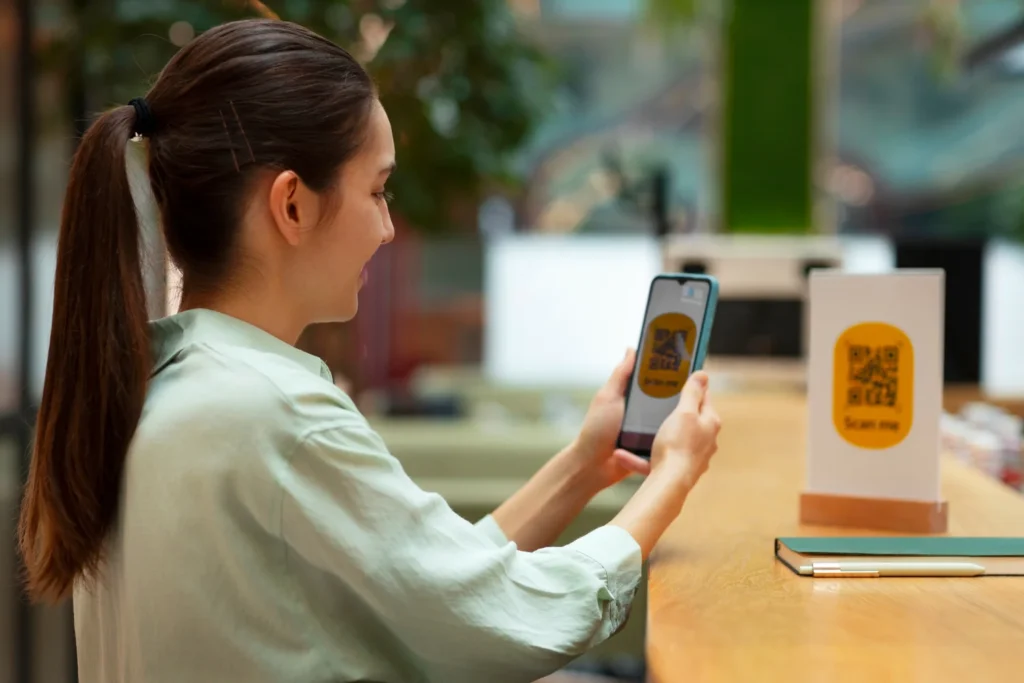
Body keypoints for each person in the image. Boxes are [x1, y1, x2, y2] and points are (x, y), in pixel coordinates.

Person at [17, 19, 721, 683]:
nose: (387, 228)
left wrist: (584, 465)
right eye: (377, 191)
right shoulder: (275, 414)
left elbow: (440, 589)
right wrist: (673, 475)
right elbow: (515, 616)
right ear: (292, 205)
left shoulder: (155, 390)